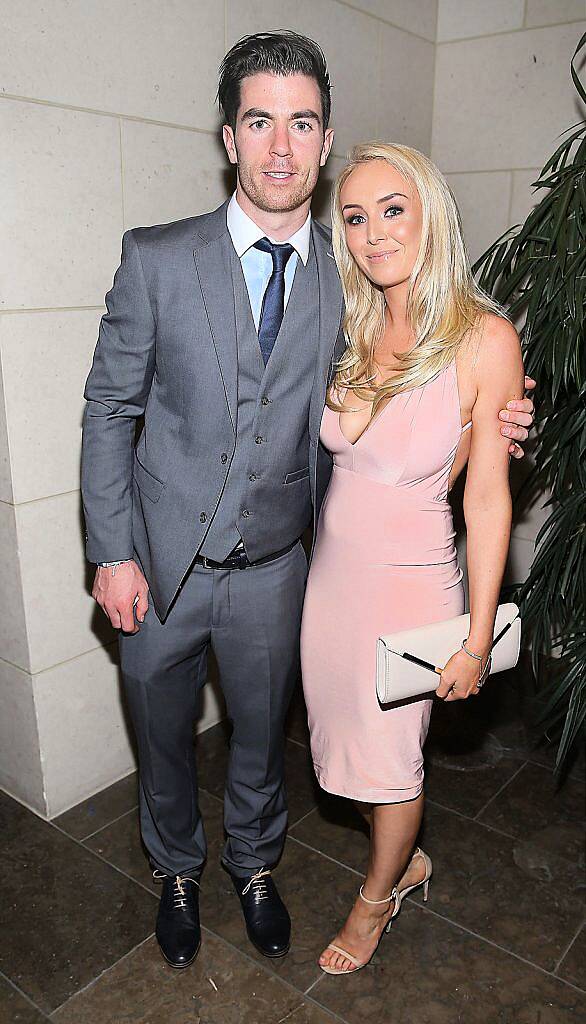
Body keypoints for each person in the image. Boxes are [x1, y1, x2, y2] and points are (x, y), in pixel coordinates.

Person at [80, 33, 534, 970]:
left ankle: (253, 862)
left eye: (302, 123)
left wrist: (504, 414)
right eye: (259, 122)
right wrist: (112, 550)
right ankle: (175, 867)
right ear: (229, 137)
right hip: (158, 564)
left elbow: (442, 370)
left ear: (324, 143)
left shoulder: (349, 276)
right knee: (162, 739)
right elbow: (109, 408)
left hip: (287, 570)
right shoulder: (157, 260)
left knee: (262, 737)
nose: (281, 147)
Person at [300, 142, 526, 976]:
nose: (372, 232)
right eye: (354, 217)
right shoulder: (353, 325)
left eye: (392, 208)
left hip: (411, 587)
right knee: (347, 764)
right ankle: (404, 860)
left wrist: (473, 639)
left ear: (431, 212)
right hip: (332, 584)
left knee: (392, 767)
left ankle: (376, 900)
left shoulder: (484, 338)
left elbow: (487, 499)